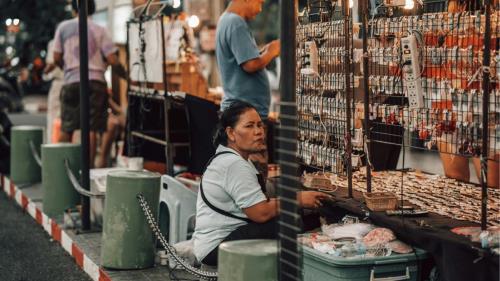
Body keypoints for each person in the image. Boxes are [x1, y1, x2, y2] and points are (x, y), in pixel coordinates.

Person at [192, 100, 332, 266]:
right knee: (289, 222)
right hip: (216, 247)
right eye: (249, 126)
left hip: (222, 239)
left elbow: (260, 198)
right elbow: (260, 212)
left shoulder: (236, 159)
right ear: (231, 133)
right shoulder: (233, 164)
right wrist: (298, 199)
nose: (258, 132)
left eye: (260, 125)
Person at [52, 0, 124, 167]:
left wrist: (69, 70)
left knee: (67, 127)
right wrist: (126, 76)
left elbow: (56, 57)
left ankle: (62, 171)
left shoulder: (63, 27)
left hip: (71, 82)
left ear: (73, 10)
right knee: (90, 129)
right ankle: (88, 171)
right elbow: (113, 59)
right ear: (93, 9)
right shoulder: (100, 29)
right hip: (95, 83)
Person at [216, 0, 280, 119]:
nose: (260, 9)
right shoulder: (236, 22)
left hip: (242, 111)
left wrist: (262, 52)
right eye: (259, 3)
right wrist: (271, 52)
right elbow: (251, 65)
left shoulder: (226, 20)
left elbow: (243, 58)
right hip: (244, 114)